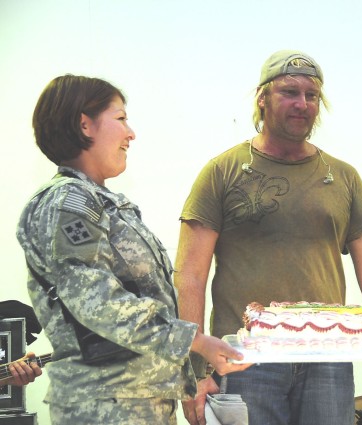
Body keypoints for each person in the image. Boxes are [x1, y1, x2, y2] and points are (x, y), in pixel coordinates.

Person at [174, 50, 362, 425]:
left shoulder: (344, 177)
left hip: (328, 359)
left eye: (311, 95)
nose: (302, 103)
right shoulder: (222, 172)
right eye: (289, 92)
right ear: (262, 98)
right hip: (244, 360)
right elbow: (189, 274)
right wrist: (194, 371)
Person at [16, 74, 249, 424]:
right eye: (121, 118)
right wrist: (196, 342)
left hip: (136, 399)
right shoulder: (69, 202)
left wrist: (190, 367)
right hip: (105, 405)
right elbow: (96, 301)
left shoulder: (99, 202)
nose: (131, 133)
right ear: (85, 125)